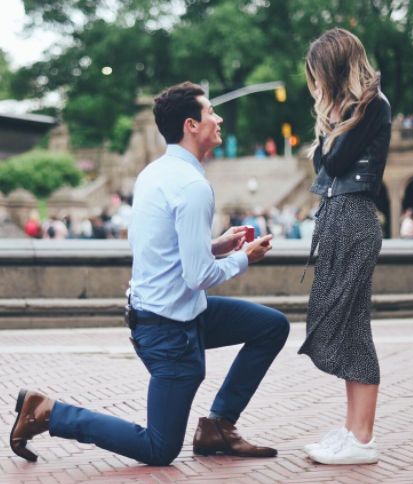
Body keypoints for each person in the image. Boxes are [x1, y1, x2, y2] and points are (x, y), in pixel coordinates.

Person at [10, 82, 290, 466]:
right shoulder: (192, 186)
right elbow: (197, 277)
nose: (218, 117)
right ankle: (48, 412)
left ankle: (219, 425)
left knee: (271, 326)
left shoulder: (154, 173)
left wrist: (216, 246)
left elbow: (163, 253)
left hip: (173, 314)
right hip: (169, 330)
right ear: (191, 125)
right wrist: (245, 258)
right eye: (211, 112)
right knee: (159, 449)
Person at [298, 28, 392, 465]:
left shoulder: (371, 107)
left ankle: (363, 438)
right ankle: (354, 430)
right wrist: (330, 123)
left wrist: (330, 122)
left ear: (335, 70)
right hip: (339, 218)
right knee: (346, 324)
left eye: (318, 74)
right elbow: (325, 163)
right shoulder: (350, 111)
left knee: (353, 327)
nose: (315, 84)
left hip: (354, 220)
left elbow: (331, 162)